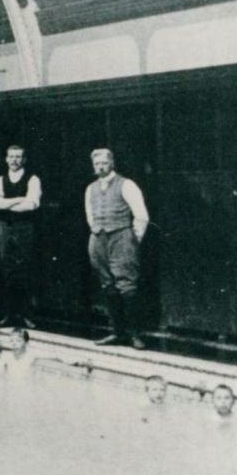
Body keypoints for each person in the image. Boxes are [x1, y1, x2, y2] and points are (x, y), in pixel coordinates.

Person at [85, 148, 150, 349]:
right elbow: (90, 214)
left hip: (121, 236)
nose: (100, 166)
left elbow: (141, 215)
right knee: (107, 285)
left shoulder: (126, 184)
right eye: (96, 164)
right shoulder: (91, 188)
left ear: (111, 163)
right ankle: (116, 332)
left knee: (127, 286)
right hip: (98, 238)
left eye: (104, 163)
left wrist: (131, 239)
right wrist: (96, 230)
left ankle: (134, 334)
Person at [0, 145, 41, 330]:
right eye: (11, 156)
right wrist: (19, 199)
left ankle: (26, 315)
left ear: (24, 159)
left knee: (24, 271)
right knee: (6, 271)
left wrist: (7, 203)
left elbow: (32, 204)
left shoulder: (33, 179)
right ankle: (9, 315)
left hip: (24, 228)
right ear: (6, 159)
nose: (14, 160)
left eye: (18, 157)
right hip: (3, 228)